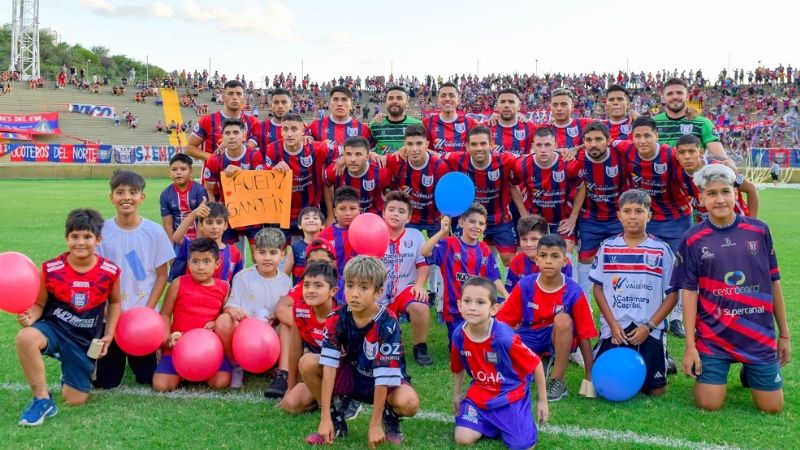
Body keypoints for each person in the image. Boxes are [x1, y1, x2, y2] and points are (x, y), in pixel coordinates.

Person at [672, 164, 790, 413]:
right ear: (701, 198)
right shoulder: (692, 239)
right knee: (709, 404)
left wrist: (784, 335)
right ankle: (722, 365)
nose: (720, 199)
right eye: (712, 194)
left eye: (725, 191)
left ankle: (751, 367)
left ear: (736, 194)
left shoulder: (759, 230)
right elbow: (689, 292)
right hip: (715, 338)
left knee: (772, 408)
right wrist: (690, 346)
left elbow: (774, 282)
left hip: (757, 336)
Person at [15, 209, 121, 426]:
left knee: (75, 400)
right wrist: (30, 317)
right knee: (25, 338)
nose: (80, 242)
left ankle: (68, 366)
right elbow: (39, 304)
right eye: (74, 237)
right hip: (54, 328)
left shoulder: (110, 271)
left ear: (98, 239)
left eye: (87, 237)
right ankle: (42, 401)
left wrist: (109, 334)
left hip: (84, 340)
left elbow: (116, 303)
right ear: (66, 238)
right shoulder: (50, 269)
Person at [303, 256, 420, 446]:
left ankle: (388, 415)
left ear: (378, 292)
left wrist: (374, 425)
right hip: (352, 377)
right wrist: (324, 418)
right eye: (350, 286)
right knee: (307, 362)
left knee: (409, 402)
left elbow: (383, 376)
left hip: (383, 381)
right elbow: (329, 367)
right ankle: (335, 419)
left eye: (364, 287)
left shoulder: (388, 322)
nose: (354, 293)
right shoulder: (336, 318)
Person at [590, 190, 678, 396]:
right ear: (619, 215)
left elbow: (673, 295)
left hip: (648, 328)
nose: (632, 216)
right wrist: (612, 325)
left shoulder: (661, 250)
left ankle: (662, 356)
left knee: (657, 391)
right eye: (627, 211)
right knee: (601, 386)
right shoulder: (607, 247)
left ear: (649, 215)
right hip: (615, 328)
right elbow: (598, 288)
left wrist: (649, 327)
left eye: (639, 211)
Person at [94, 171, 175, 389]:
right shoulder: (101, 232)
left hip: (142, 318)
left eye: (133, 192)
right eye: (120, 192)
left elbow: (161, 275)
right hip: (111, 317)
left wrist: (148, 311)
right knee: (106, 382)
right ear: (111, 197)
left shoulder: (155, 232)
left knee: (147, 377)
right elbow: (96, 277)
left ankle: (147, 355)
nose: (126, 197)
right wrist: (106, 312)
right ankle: (99, 360)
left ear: (142, 197)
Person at [613, 116, 691, 339]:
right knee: (651, 268)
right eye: (637, 135)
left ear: (657, 136)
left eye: (647, 135)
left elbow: (694, 160)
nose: (642, 140)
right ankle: (652, 313)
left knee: (677, 268)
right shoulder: (625, 148)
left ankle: (676, 317)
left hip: (677, 218)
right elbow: (608, 141)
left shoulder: (671, 154)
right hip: (650, 218)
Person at [496, 234, 597, 402]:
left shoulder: (574, 291)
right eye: (543, 256)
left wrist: (589, 378)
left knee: (563, 319)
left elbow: (584, 336)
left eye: (555, 256)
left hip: (557, 336)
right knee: (512, 377)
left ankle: (557, 380)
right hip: (528, 335)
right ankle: (540, 361)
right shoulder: (525, 285)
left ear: (565, 262)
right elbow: (502, 324)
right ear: (536, 259)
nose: (548, 261)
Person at [451, 277, 548, 449]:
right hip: (480, 394)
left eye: (480, 302)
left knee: (523, 445)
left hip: (510, 394)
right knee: (462, 438)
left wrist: (542, 400)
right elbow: (458, 367)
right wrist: (457, 394)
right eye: (467, 301)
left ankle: (514, 419)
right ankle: (494, 423)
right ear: (459, 305)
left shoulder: (504, 337)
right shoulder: (459, 335)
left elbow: (536, 364)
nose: (472, 307)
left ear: (494, 309)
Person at [215, 228, 292, 391]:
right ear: (254, 254)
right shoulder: (243, 277)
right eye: (262, 252)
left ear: (282, 255)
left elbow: (286, 310)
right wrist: (233, 311)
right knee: (223, 321)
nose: (267, 258)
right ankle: (237, 366)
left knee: (288, 323)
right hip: (246, 332)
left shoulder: (285, 281)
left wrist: (277, 316)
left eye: (273, 253)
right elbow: (230, 305)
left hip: (271, 333)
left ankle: (279, 370)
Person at [152, 238, 231, 392]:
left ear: (217, 264)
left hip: (209, 349)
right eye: (195, 261)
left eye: (207, 261)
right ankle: (182, 370)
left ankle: (199, 370)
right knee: (161, 385)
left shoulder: (223, 287)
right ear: (188, 263)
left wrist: (216, 324)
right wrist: (167, 340)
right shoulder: (178, 283)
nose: (200, 267)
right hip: (178, 346)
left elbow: (224, 316)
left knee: (220, 382)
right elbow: (165, 314)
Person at [421, 203, 508, 342]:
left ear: (485, 227)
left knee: (490, 336)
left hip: (479, 307)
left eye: (481, 223)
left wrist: (506, 295)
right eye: (472, 221)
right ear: (461, 223)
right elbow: (425, 251)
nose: (476, 226)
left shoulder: (484, 249)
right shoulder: (449, 244)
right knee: (461, 346)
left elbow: (494, 277)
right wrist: (441, 232)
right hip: (454, 310)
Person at [442, 127, 522, 266]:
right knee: (463, 258)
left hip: (500, 218)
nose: (479, 148)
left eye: (483, 144)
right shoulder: (456, 159)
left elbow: (530, 160)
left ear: (491, 145)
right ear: (467, 146)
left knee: (509, 259)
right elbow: (432, 155)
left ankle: (509, 287)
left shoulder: (507, 160)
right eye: (474, 144)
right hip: (470, 219)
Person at [568, 121, 628, 300]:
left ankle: (618, 302)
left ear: (608, 140)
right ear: (583, 142)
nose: (593, 144)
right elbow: (579, 187)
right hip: (590, 218)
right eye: (588, 140)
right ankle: (583, 303)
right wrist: (573, 217)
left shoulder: (621, 156)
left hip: (617, 218)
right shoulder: (578, 160)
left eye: (598, 139)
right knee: (585, 259)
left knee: (619, 261)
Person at [380, 190, 433, 366]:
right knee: (384, 343)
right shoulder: (374, 233)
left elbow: (422, 264)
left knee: (420, 305)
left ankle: (420, 347)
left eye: (401, 211)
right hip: (378, 293)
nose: (396, 214)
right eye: (392, 209)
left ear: (409, 217)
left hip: (405, 288)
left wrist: (420, 285)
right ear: (383, 213)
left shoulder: (415, 235)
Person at [279, 261, 339, 414]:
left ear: (333, 291)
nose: (311, 290)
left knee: (307, 361)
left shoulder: (342, 314)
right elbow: (294, 350)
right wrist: (290, 387)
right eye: (307, 285)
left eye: (318, 286)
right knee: (291, 404)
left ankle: (335, 403)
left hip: (340, 372)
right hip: (316, 371)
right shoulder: (299, 309)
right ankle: (328, 404)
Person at [514, 127, 584, 253]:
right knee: (533, 258)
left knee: (563, 256)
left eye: (547, 145)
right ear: (532, 146)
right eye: (539, 145)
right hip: (535, 221)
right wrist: (524, 214)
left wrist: (573, 217)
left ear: (556, 145)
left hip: (562, 221)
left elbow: (582, 187)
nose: (543, 150)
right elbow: (512, 186)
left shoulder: (569, 164)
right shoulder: (521, 164)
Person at [262, 113, 332, 236]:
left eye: (294, 129)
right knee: (279, 253)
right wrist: (272, 169)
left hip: (309, 211)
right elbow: (263, 179)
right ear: (281, 131)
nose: (289, 134)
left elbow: (342, 150)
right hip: (281, 213)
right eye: (285, 129)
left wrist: (370, 154)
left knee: (309, 251)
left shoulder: (316, 148)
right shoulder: (272, 149)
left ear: (302, 131)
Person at [203, 119, 265, 256]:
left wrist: (241, 173)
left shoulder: (254, 155)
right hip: (228, 214)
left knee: (258, 256)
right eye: (228, 133)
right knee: (228, 256)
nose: (231, 136)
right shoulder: (214, 159)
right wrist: (216, 213)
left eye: (236, 132)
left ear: (244, 136)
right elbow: (209, 190)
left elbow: (261, 185)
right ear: (222, 137)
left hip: (252, 213)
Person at [674, 134, 759, 220]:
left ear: (701, 152)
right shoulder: (678, 174)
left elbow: (750, 188)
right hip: (710, 227)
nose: (687, 156)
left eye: (692, 151)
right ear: (677, 155)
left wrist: (753, 221)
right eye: (682, 152)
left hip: (739, 223)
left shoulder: (719, 167)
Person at [652, 78, 729, 162]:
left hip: (693, 175)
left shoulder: (703, 123)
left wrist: (728, 162)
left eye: (679, 93)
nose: (675, 97)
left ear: (687, 97)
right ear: (663, 98)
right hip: (661, 174)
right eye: (670, 94)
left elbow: (720, 156)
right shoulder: (652, 123)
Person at [167, 202, 243, 284]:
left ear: (225, 225)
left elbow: (237, 281)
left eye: (219, 222)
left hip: (221, 296)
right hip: (193, 295)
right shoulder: (194, 246)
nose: (214, 227)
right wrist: (193, 215)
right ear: (201, 225)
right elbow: (176, 238)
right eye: (209, 222)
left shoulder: (234, 252)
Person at [324, 136, 392, 216]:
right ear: (343, 156)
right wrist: (330, 215)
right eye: (348, 154)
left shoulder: (382, 171)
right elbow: (327, 185)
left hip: (375, 218)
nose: (353, 159)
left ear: (367, 157)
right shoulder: (335, 169)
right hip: (346, 219)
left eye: (358, 155)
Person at [505, 215, 573, 292]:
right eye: (524, 239)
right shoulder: (517, 261)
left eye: (534, 239)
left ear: (546, 238)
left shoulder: (561, 261)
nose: (528, 244)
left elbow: (567, 293)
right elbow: (509, 292)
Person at [305, 86, 374, 158]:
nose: (339, 103)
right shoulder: (315, 126)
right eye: (335, 99)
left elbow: (369, 157)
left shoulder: (364, 130)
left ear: (351, 104)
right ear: (330, 104)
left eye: (344, 99)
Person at [160, 153, 208, 245]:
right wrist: (170, 248)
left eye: (183, 169)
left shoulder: (200, 191)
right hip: (177, 239)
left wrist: (198, 245)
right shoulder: (165, 194)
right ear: (170, 173)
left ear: (191, 171)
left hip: (198, 239)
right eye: (174, 169)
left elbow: (201, 221)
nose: (178, 172)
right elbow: (167, 224)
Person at [423, 82, 479, 153]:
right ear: (438, 101)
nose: (447, 99)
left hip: (461, 164)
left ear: (458, 100)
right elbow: (422, 148)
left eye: (451, 96)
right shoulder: (427, 123)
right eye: (443, 96)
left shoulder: (470, 123)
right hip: (437, 164)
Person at [319, 186, 361, 276]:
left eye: (352, 208)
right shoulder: (324, 235)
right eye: (342, 209)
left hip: (358, 283)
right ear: (334, 212)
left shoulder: (365, 233)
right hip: (332, 283)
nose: (348, 213)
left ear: (359, 211)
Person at [369, 85, 423, 154]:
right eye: (391, 98)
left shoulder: (418, 125)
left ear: (407, 103)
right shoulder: (374, 126)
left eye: (399, 98)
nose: (394, 101)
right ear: (385, 103)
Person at [490, 87, 537, 157]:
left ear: (519, 106)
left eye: (511, 102)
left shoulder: (531, 128)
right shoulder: (486, 128)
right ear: (497, 106)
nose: (506, 105)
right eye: (502, 102)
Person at [283, 206, 324, 280]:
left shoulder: (327, 247)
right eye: (306, 218)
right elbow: (283, 277)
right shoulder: (295, 248)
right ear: (299, 225)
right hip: (300, 291)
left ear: (322, 225)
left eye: (315, 218)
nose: (311, 220)